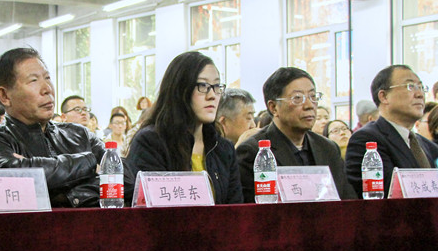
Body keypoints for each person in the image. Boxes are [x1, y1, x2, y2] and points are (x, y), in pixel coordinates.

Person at [0, 47, 109, 208]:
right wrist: (90, 161)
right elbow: (18, 180)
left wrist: (67, 197)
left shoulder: (79, 134)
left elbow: (126, 178)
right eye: (33, 81)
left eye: (47, 78)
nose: (47, 89)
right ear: (5, 96)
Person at [128, 51, 242, 204]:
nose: (212, 95)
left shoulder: (223, 148)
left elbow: (235, 209)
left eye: (216, 86)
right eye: (203, 86)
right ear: (180, 89)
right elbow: (150, 208)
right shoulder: (151, 142)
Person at [236, 67, 355, 202]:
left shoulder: (328, 148)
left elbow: (347, 201)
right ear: (273, 107)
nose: (309, 105)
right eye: (298, 98)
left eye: (313, 97)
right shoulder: (253, 151)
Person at [345, 64, 438, 197]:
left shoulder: (428, 146)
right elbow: (385, 194)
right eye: (410, 86)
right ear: (384, 96)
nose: (419, 94)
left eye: (421, 87)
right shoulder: (367, 140)